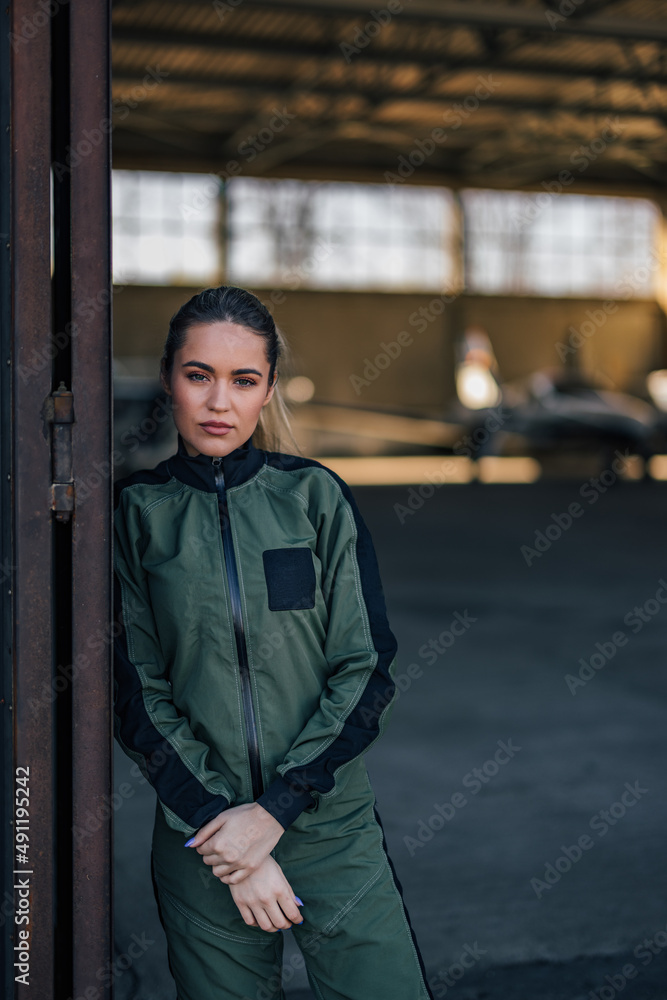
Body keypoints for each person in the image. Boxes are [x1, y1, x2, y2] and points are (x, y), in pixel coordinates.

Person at [113, 285, 434, 1000]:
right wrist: (228, 836)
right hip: (200, 831)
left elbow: (364, 667)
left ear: (268, 390)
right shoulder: (135, 515)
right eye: (199, 376)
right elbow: (135, 692)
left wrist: (274, 811)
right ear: (170, 379)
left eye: (243, 380)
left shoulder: (315, 498)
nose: (218, 402)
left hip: (328, 823)